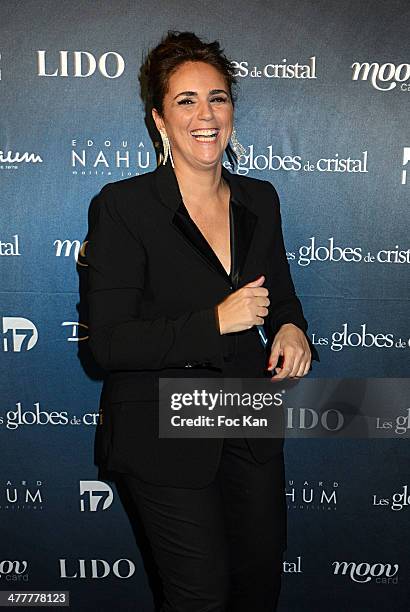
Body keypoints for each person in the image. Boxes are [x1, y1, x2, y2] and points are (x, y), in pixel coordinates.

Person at [86, 30, 319, 612]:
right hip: (160, 428)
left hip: (248, 421)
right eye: (186, 100)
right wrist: (215, 321)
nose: (205, 114)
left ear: (232, 111)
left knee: (258, 592)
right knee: (201, 600)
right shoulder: (122, 207)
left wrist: (292, 328)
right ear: (160, 120)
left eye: (217, 97)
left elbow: (282, 297)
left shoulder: (260, 200)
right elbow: (107, 345)